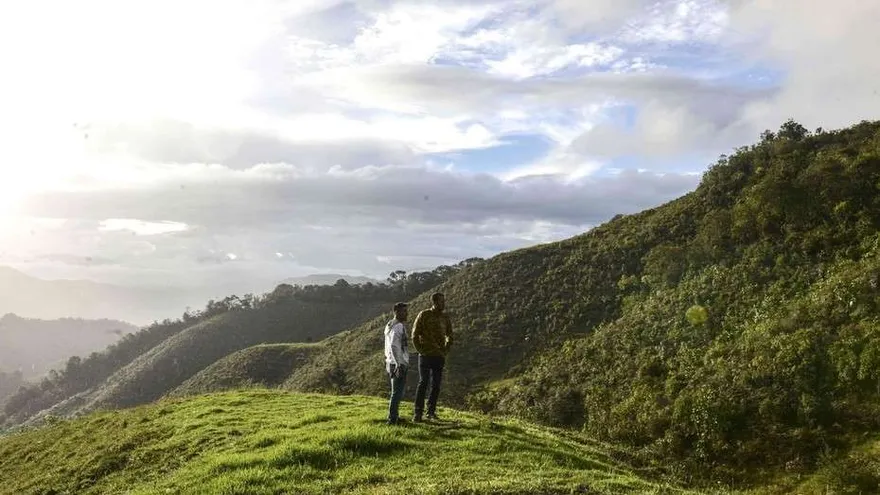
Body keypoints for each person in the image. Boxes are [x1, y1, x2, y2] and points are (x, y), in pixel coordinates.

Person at [411, 292, 453, 422]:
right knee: (423, 382)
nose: (444, 304)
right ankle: (418, 413)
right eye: (441, 301)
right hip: (425, 355)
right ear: (434, 302)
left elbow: (450, 335)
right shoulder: (424, 315)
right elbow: (414, 335)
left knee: (436, 385)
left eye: (444, 301)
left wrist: (446, 350)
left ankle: (431, 412)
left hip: (439, 356)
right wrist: (420, 350)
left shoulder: (445, 317)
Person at [384, 302, 410, 425]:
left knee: (396, 391)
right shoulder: (398, 326)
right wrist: (399, 364)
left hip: (391, 361)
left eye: (406, 311)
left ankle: (394, 416)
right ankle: (392, 419)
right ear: (396, 312)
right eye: (403, 311)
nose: (406, 313)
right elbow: (394, 346)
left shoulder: (389, 324)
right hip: (397, 363)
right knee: (397, 392)